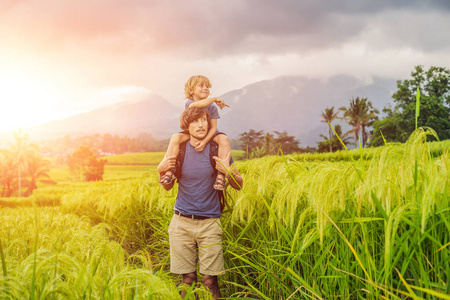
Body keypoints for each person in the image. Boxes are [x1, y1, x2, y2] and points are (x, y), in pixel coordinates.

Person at [158, 107, 243, 299]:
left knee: (210, 281)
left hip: (209, 223)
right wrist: (160, 171)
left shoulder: (217, 148)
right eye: (195, 121)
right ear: (186, 127)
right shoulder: (179, 149)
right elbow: (167, 187)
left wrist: (228, 171)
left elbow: (239, 185)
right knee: (187, 279)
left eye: (204, 120)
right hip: (181, 223)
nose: (201, 124)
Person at [159, 75, 231, 191]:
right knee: (176, 137)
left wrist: (204, 141)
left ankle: (221, 175)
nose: (206, 88)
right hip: (192, 132)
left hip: (209, 133)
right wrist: (215, 98)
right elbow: (199, 106)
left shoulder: (212, 107)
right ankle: (169, 171)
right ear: (191, 90)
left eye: (207, 86)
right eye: (201, 86)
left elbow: (213, 128)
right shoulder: (190, 103)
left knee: (223, 139)